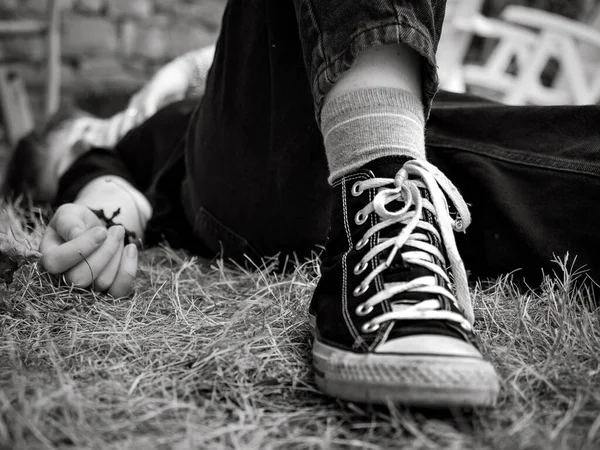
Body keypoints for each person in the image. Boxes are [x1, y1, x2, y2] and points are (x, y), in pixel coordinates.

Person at [5, 1, 600, 408]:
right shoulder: (139, 138)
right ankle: (377, 170)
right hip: (256, 175)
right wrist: (98, 213)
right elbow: (109, 182)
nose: (95, 137)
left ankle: (387, 164)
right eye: (74, 144)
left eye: (88, 129)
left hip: (413, 117)